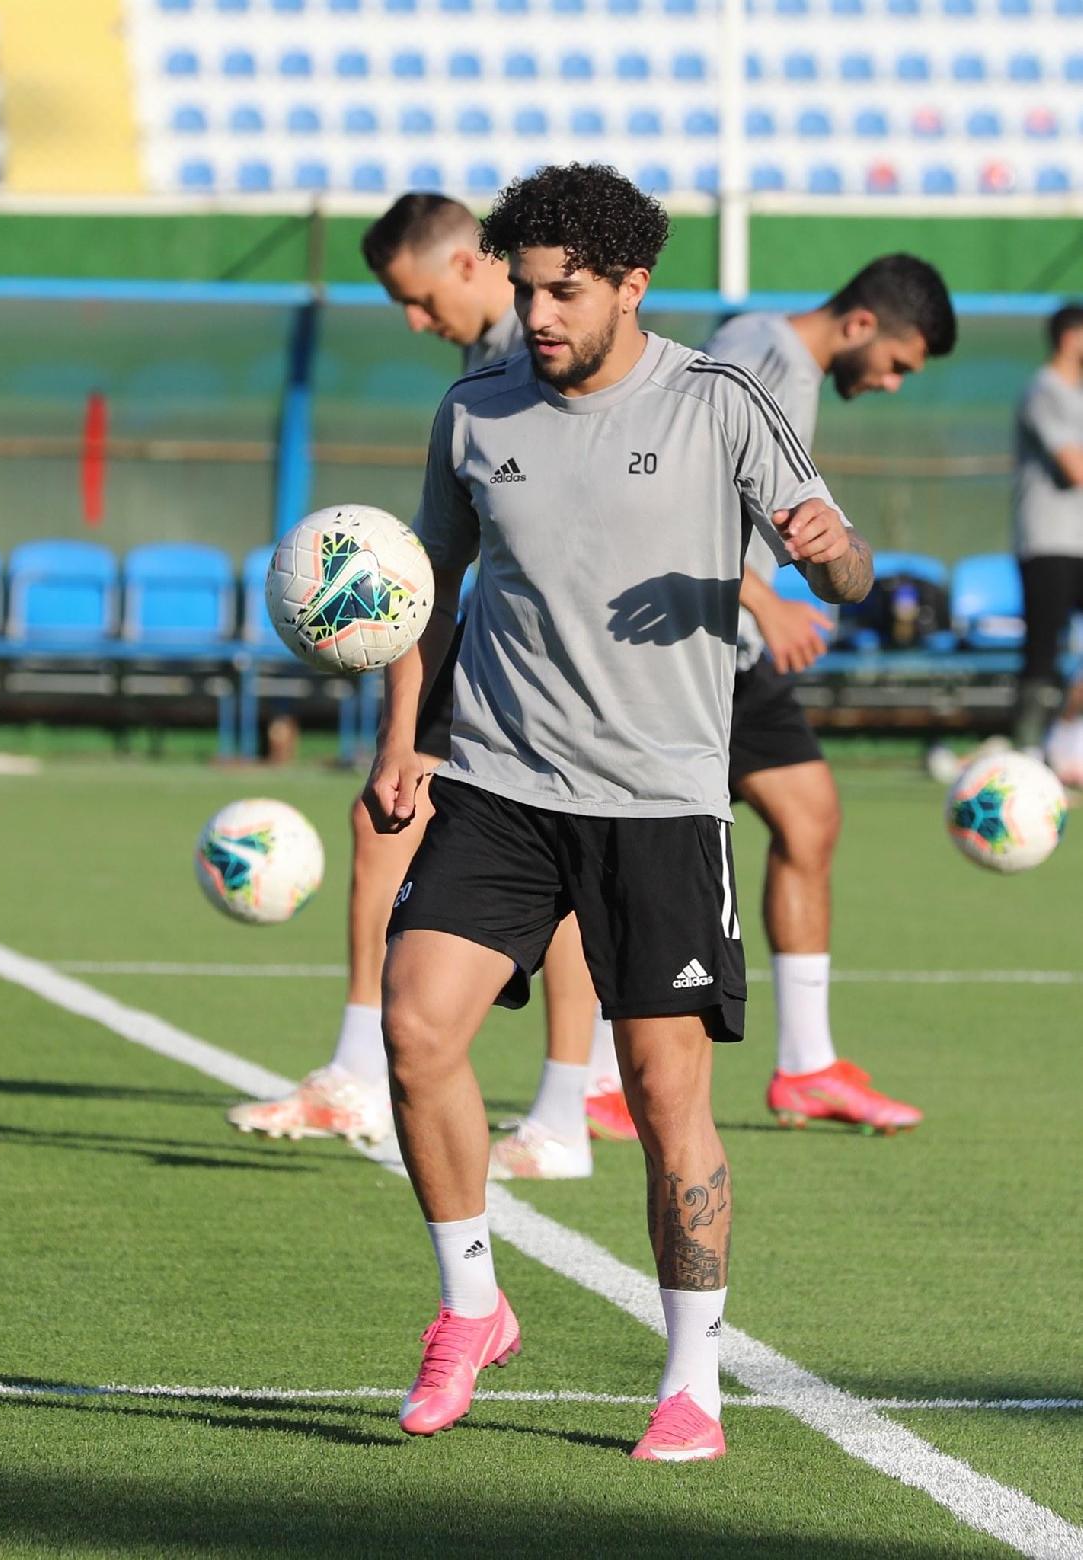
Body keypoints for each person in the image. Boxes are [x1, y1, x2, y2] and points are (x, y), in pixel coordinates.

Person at [367, 163, 873, 1459]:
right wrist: (401, 742)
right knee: (416, 1029)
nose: (535, 315)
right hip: (498, 783)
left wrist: (830, 555)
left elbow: (845, 564)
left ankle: (691, 1381)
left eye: (565, 292)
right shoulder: (473, 409)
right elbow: (426, 592)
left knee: (660, 1093)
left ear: (630, 285)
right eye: (525, 289)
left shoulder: (719, 402)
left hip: (659, 803)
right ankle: (469, 1309)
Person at [226, 192, 634, 1163]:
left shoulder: (531, 358)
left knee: (496, 833)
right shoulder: (490, 363)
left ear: (465, 264)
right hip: (502, 634)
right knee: (424, 825)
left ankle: (517, 1100)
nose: (413, 322)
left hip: (546, 651)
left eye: (416, 299)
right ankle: (543, 1099)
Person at [701, 255, 956, 1133]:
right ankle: (583, 1082)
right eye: (896, 364)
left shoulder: (770, 352)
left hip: (735, 653)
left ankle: (806, 1066)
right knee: (618, 857)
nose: (889, 384)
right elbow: (672, 498)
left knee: (809, 818)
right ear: (859, 325)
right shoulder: (763, 359)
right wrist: (765, 602)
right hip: (694, 652)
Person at [1011, 302, 1083, 757]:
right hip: (1049, 541)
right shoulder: (1045, 391)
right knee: (1043, 650)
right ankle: (1027, 750)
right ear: (1071, 338)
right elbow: (1074, 467)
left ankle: (1066, 741)